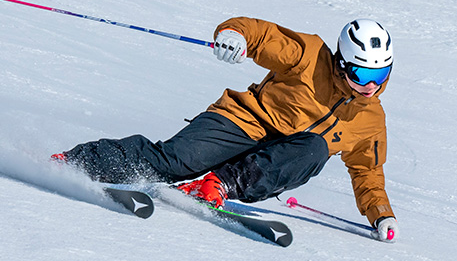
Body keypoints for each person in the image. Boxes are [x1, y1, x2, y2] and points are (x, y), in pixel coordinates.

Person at [53, 17, 399, 242]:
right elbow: (262, 35)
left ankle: (217, 184)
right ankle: (73, 161)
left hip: (270, 162)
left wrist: (380, 214)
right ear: (341, 62)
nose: (369, 86)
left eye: (380, 75)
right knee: (172, 162)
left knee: (314, 149)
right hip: (241, 122)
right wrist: (235, 37)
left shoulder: (371, 121)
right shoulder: (309, 55)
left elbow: (368, 172)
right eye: (360, 75)